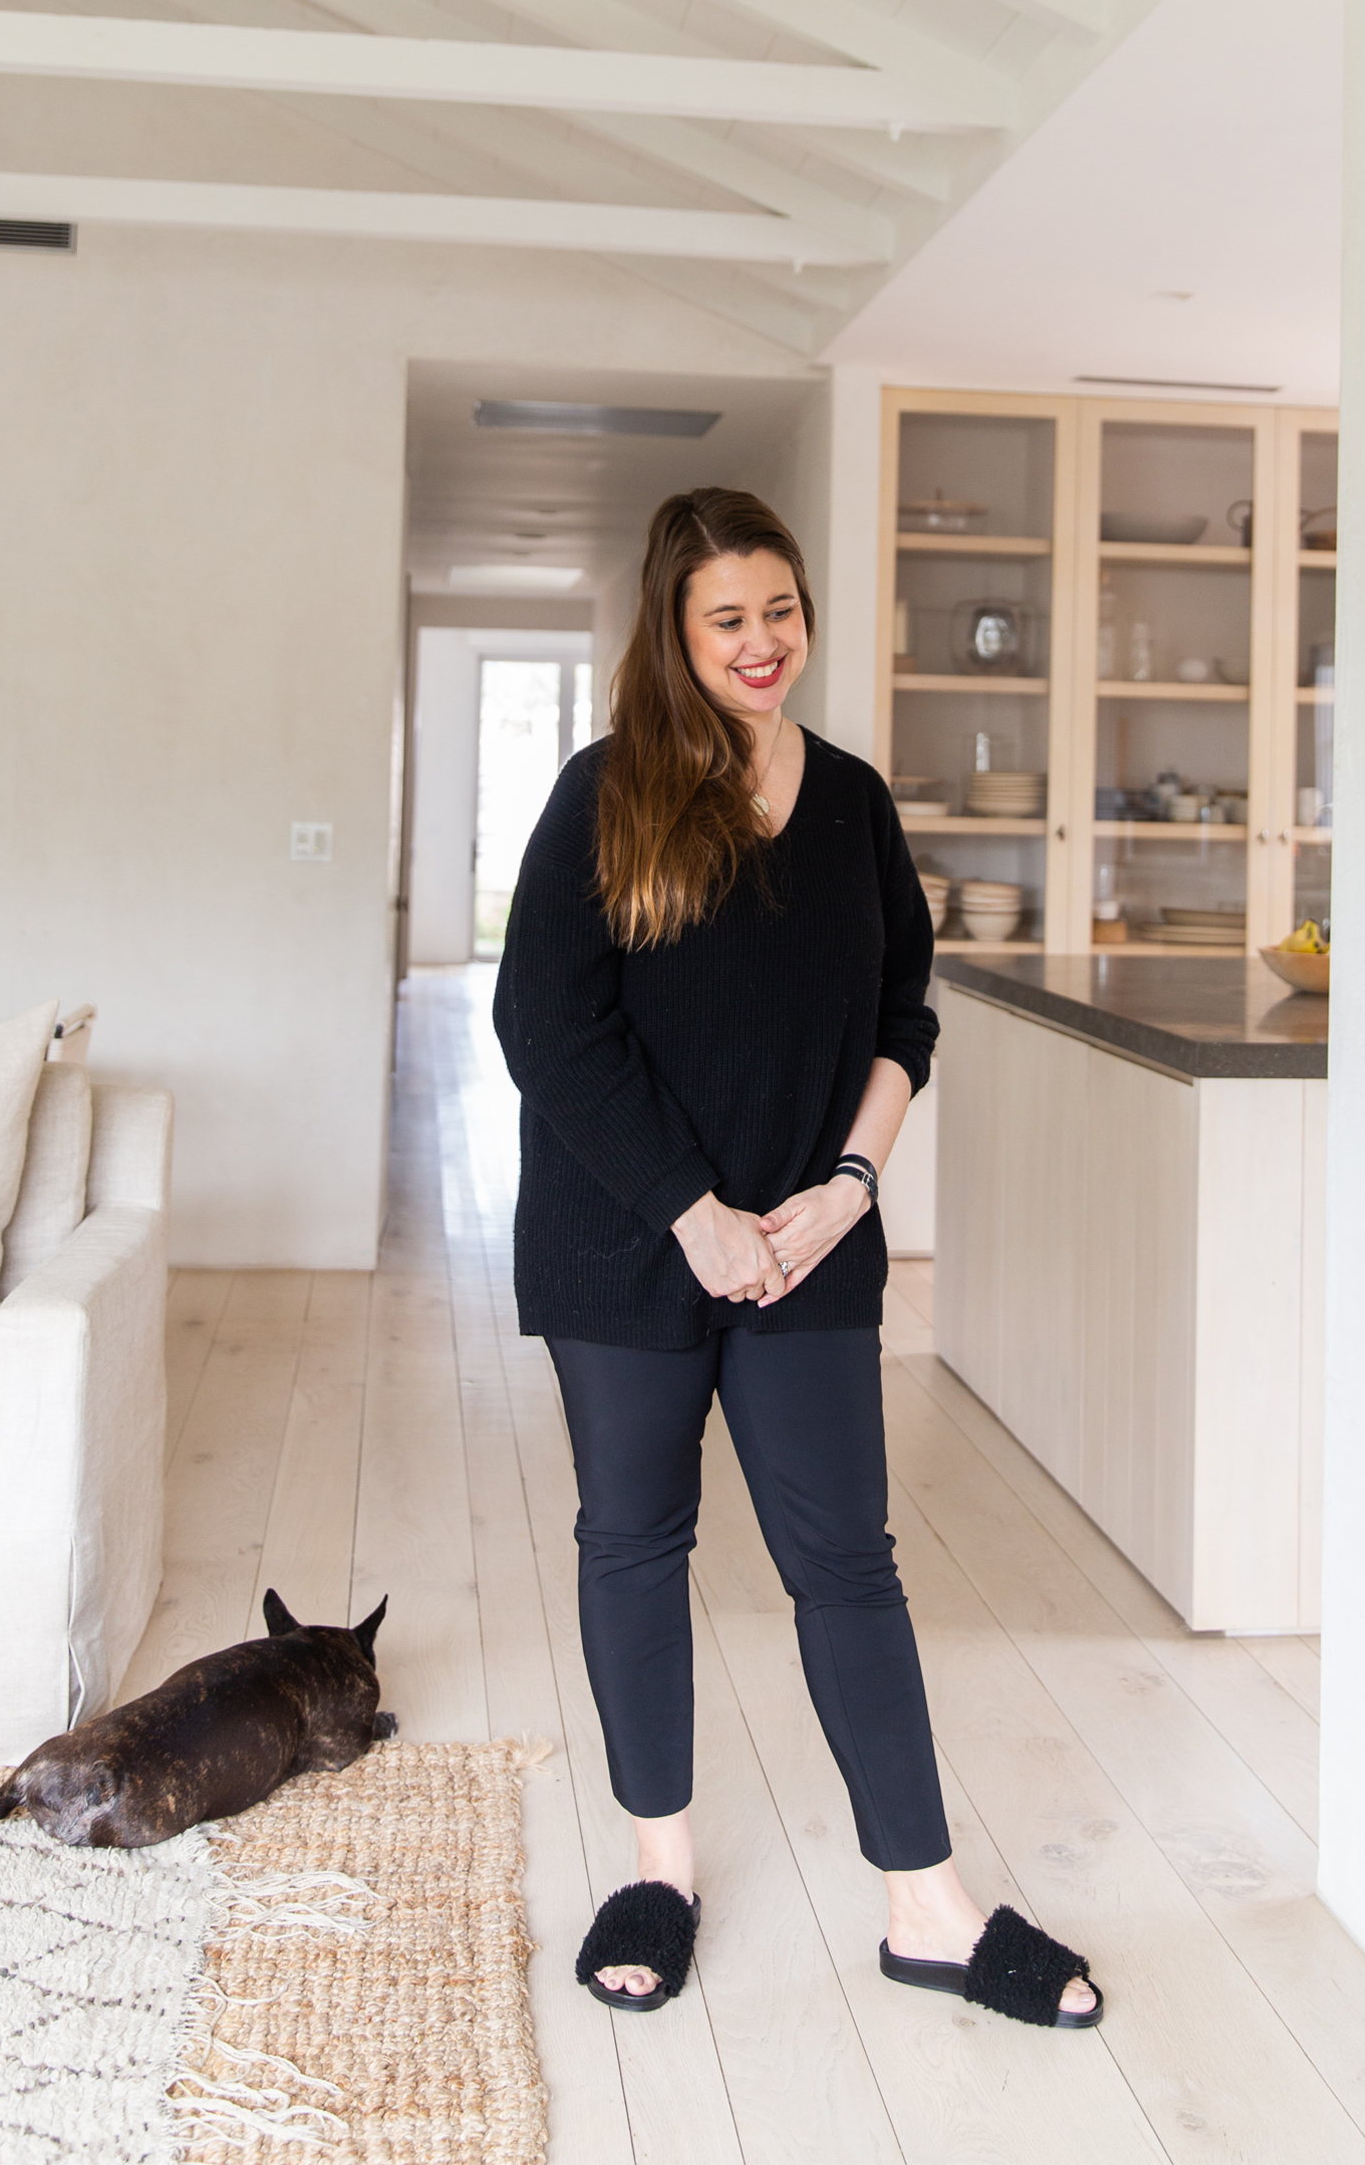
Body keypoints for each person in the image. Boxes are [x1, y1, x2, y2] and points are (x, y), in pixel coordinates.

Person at [493, 487, 1101, 2033]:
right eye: (725, 620)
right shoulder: (605, 795)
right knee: (635, 1540)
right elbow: (545, 1027)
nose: (761, 645)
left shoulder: (853, 803)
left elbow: (906, 1013)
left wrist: (845, 1186)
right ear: (675, 635)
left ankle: (928, 1904)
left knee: (848, 1562)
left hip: (812, 1248)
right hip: (632, 1246)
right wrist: (691, 1212)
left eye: (779, 611)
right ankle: (659, 1873)